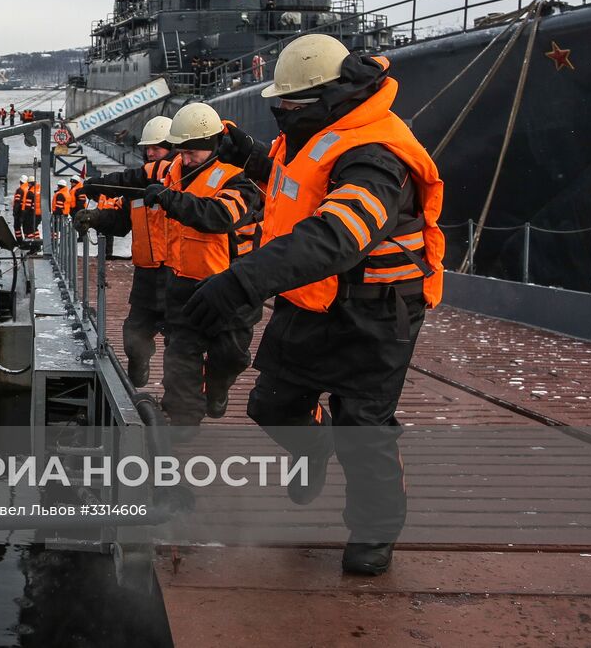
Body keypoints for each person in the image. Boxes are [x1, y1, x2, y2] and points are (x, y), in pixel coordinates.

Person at [184, 34, 444, 577]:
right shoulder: (317, 131)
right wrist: (245, 154)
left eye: (290, 104)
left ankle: (374, 530)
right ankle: (313, 441)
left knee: (364, 427)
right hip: (311, 301)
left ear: (332, 97)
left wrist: (240, 281)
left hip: (377, 313)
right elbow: (294, 184)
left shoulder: (376, 155)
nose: (282, 113)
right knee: (271, 405)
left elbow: (338, 234)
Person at [140, 103, 262, 425]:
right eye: (182, 151)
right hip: (183, 286)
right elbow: (135, 177)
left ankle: (218, 387)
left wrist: (169, 199)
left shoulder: (240, 182)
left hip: (229, 288)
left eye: (193, 152)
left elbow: (220, 216)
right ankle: (182, 426)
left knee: (231, 356)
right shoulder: (174, 171)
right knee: (179, 362)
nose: (186, 158)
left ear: (212, 146)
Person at [75, 116, 176, 387]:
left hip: (177, 275)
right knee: (134, 335)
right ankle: (139, 370)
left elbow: (145, 177)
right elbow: (120, 223)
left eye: (158, 148)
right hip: (145, 274)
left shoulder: (178, 181)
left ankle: (177, 397)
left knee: (179, 344)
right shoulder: (136, 191)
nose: (152, 154)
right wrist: (96, 218)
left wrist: (102, 183)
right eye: (149, 149)